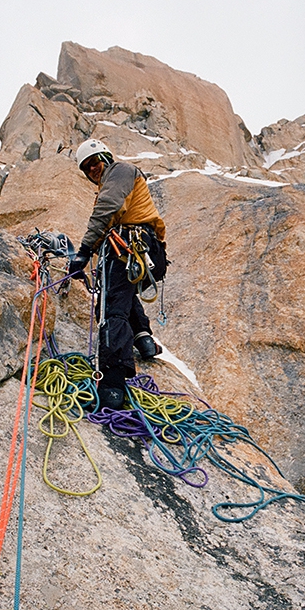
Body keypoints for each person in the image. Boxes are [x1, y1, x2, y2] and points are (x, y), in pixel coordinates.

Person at [68, 138, 168, 410]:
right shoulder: (113, 181)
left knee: (111, 309)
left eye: (95, 162)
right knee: (118, 294)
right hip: (138, 250)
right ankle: (144, 339)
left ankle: (112, 386)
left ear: (106, 157)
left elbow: (108, 208)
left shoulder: (120, 171)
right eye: (87, 168)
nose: (93, 169)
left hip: (131, 245)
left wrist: (84, 251)